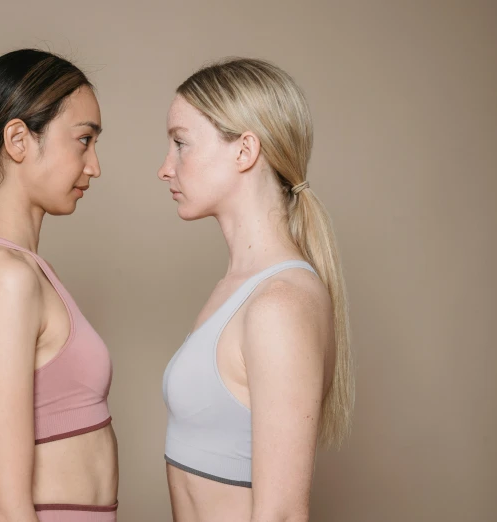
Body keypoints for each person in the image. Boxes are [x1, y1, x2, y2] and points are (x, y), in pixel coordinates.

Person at [159, 58, 354, 522]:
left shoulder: (279, 304)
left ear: (245, 151)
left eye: (181, 144)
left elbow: (283, 514)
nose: (166, 168)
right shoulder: (237, 290)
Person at [0, 49, 118, 522]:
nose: (94, 166)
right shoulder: (5, 277)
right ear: (18, 139)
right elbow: (3, 506)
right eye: (83, 140)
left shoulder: (22, 270)